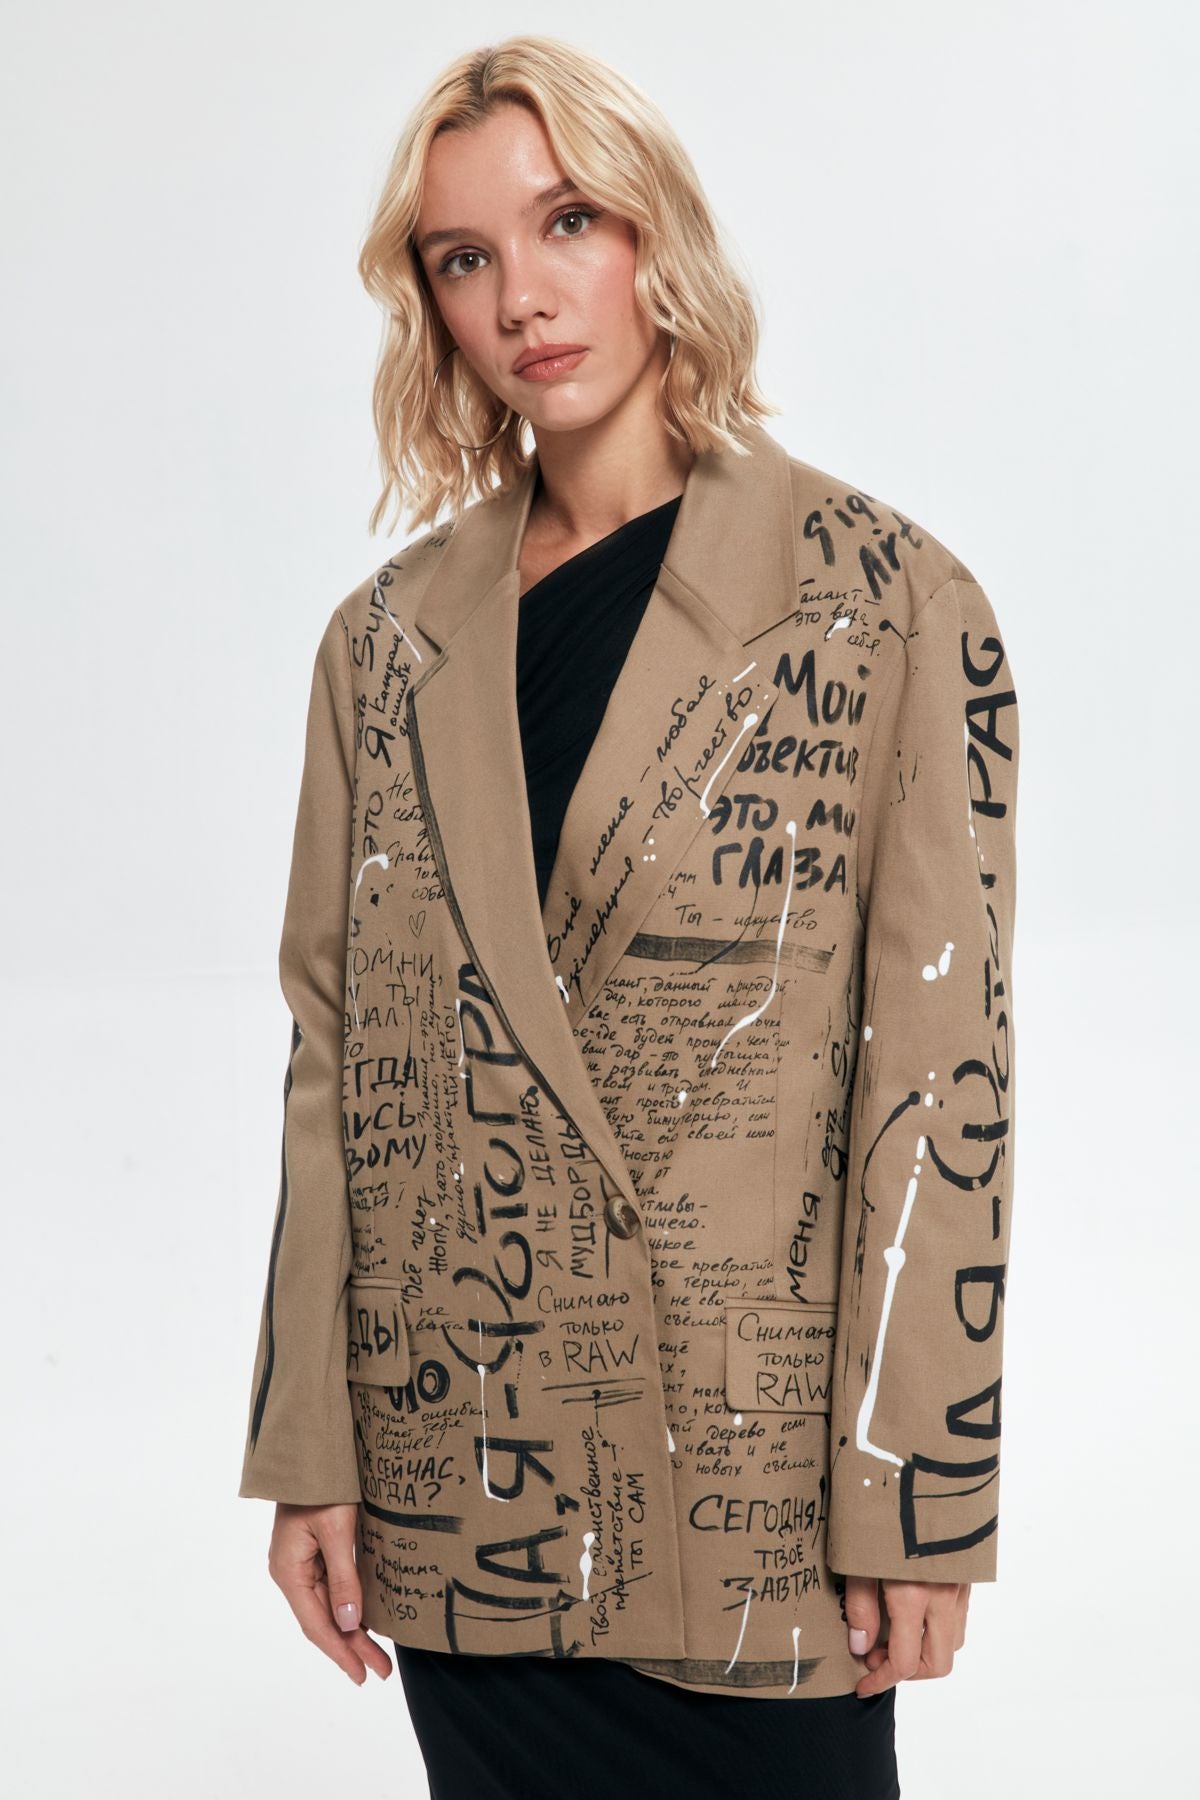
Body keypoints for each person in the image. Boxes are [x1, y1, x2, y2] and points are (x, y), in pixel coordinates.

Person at [238, 33, 1019, 1800]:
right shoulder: (383, 649)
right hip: (473, 1485)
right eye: (465, 257)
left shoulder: (890, 606)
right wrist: (307, 1448)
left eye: (567, 221)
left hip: (761, 1509)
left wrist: (922, 1488)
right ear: (431, 304)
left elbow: (942, 1079)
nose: (522, 296)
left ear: (656, 230)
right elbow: (334, 1064)